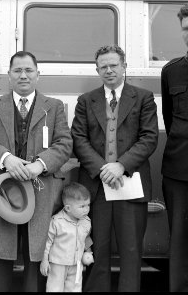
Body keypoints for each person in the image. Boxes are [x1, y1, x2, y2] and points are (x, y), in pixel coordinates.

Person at [0, 51, 73, 292]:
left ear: (38, 75)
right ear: (9, 75)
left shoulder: (55, 106)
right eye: (17, 70)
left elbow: (64, 144)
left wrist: (40, 164)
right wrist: (7, 159)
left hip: (41, 190)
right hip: (5, 191)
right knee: (0, 256)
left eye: (29, 70)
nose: (23, 75)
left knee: (37, 257)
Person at [71, 45, 158, 292]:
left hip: (130, 184)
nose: (109, 70)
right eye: (103, 66)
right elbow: (79, 138)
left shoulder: (143, 97)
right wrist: (102, 169)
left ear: (124, 66)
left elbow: (149, 138)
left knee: (131, 250)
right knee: (97, 248)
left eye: (113, 65)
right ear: (97, 69)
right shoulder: (86, 100)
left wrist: (121, 165)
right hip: (95, 187)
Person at [160, 1, 188, 292]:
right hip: (177, 167)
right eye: (186, 29)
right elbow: (169, 116)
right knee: (180, 239)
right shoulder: (171, 70)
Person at [40, 182, 93, 292]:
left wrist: (89, 251)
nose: (86, 209)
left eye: (88, 205)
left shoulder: (86, 221)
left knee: (75, 288)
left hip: (77, 262)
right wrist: (44, 260)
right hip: (58, 263)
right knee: (54, 288)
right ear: (68, 208)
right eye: (82, 206)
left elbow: (86, 237)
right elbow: (48, 242)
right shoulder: (57, 221)